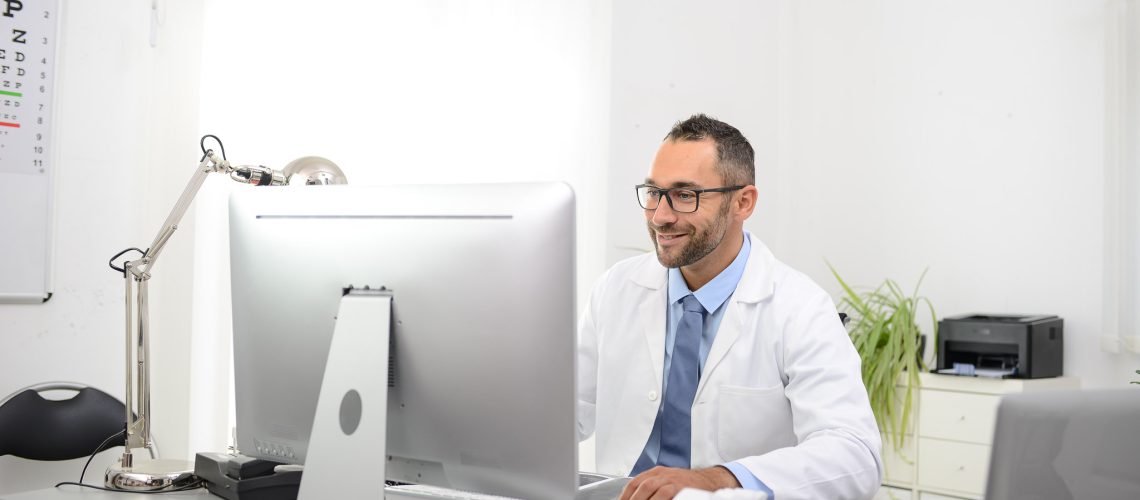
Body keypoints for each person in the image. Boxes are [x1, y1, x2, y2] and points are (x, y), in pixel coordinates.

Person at [577, 114, 883, 500]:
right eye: (654, 192)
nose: (660, 216)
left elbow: (855, 455)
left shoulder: (800, 309)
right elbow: (568, 409)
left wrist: (719, 478)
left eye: (686, 195)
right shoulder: (616, 289)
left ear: (743, 202)